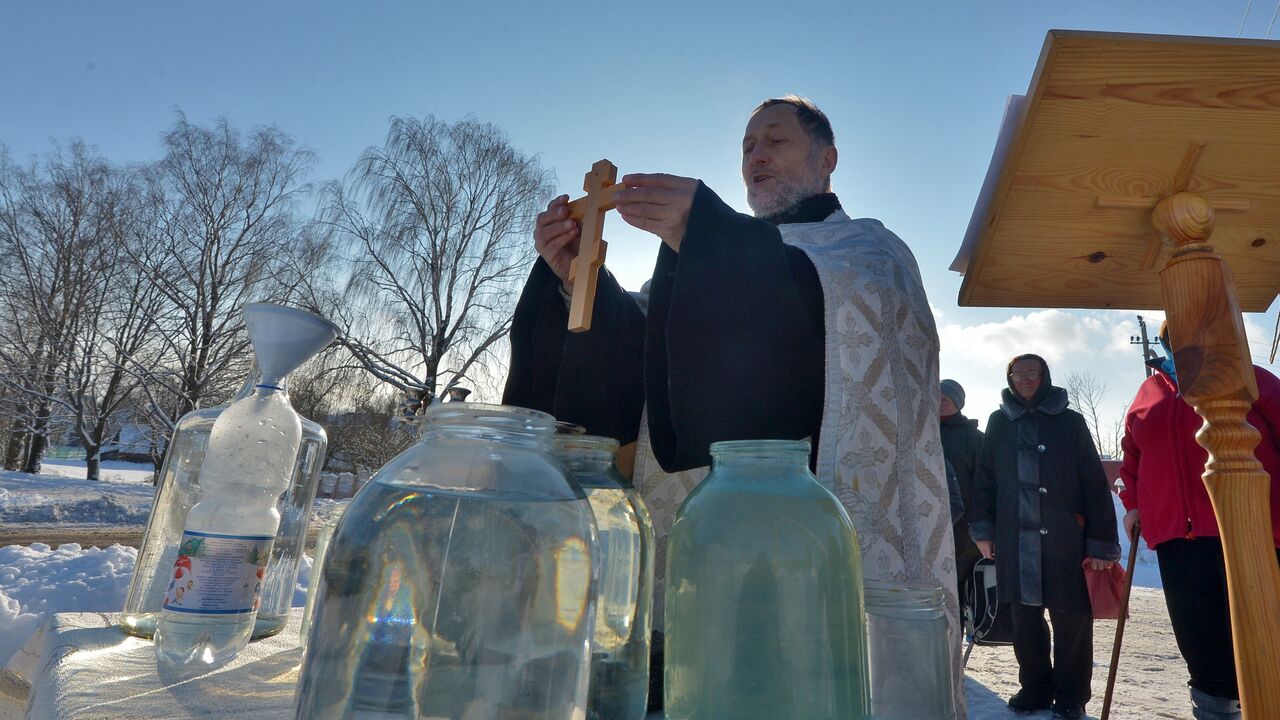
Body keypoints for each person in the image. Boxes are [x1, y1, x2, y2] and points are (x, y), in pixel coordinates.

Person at [503, 95, 961, 713]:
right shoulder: (709, 259)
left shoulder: (869, 253)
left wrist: (712, 238)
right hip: (707, 552)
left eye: (775, 141)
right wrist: (574, 282)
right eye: (747, 146)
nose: (756, 157)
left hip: (817, 554)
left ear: (828, 159)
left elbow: (840, 329)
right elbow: (653, 355)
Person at [1118, 324, 1280, 720]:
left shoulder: (1249, 378)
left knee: (1265, 638)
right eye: (1175, 334)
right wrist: (1133, 504)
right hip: (1177, 537)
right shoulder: (1149, 391)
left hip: (1250, 526)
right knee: (1202, 643)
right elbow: (1132, 459)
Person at [970, 354, 1119, 719]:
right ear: (1009, 379)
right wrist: (984, 531)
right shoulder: (999, 422)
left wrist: (1101, 542)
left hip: (1066, 540)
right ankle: (1035, 688)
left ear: (1044, 376)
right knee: (1024, 619)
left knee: (1072, 620)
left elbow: (1094, 485)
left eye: (1032, 374)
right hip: (1013, 539)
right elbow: (985, 480)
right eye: (1017, 375)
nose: (1025, 380)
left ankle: (1071, 696)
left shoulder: (1070, 422)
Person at [940, 378, 984, 598]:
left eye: (945, 399)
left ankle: (965, 632)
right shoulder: (920, 434)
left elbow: (985, 484)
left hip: (964, 529)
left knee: (961, 590)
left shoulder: (974, 438)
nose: (938, 402)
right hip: (932, 524)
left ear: (957, 403)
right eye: (935, 397)